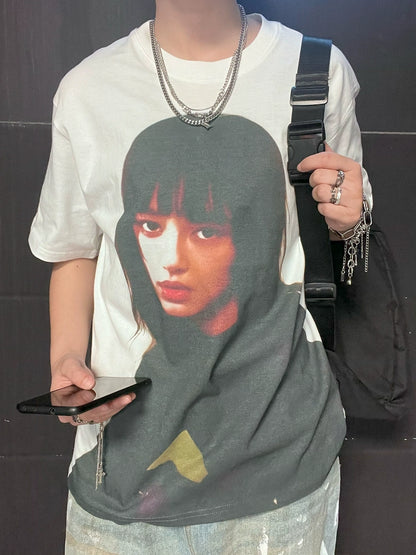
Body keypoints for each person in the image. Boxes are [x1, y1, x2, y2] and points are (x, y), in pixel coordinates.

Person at [29, 0, 372, 553]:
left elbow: (335, 232)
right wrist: (66, 361)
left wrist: (351, 218)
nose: (171, 257)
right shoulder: (88, 89)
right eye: (149, 225)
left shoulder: (316, 71)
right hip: (123, 471)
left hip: (282, 469)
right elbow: (73, 251)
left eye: (207, 230)